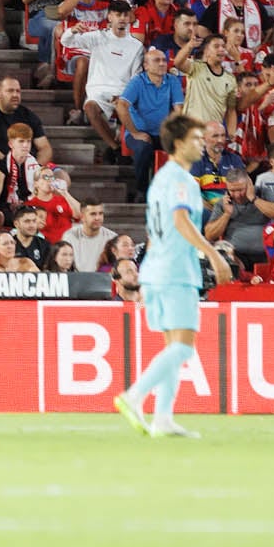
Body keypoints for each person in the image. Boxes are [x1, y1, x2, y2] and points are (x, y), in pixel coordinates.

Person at [110, 114, 232, 438]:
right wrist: (214, 253)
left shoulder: (162, 178)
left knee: (173, 346)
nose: (201, 143)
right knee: (184, 347)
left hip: (158, 269)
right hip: (176, 271)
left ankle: (163, 418)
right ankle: (134, 396)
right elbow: (180, 221)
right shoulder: (181, 180)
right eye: (195, 138)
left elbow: (157, 229)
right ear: (179, 144)